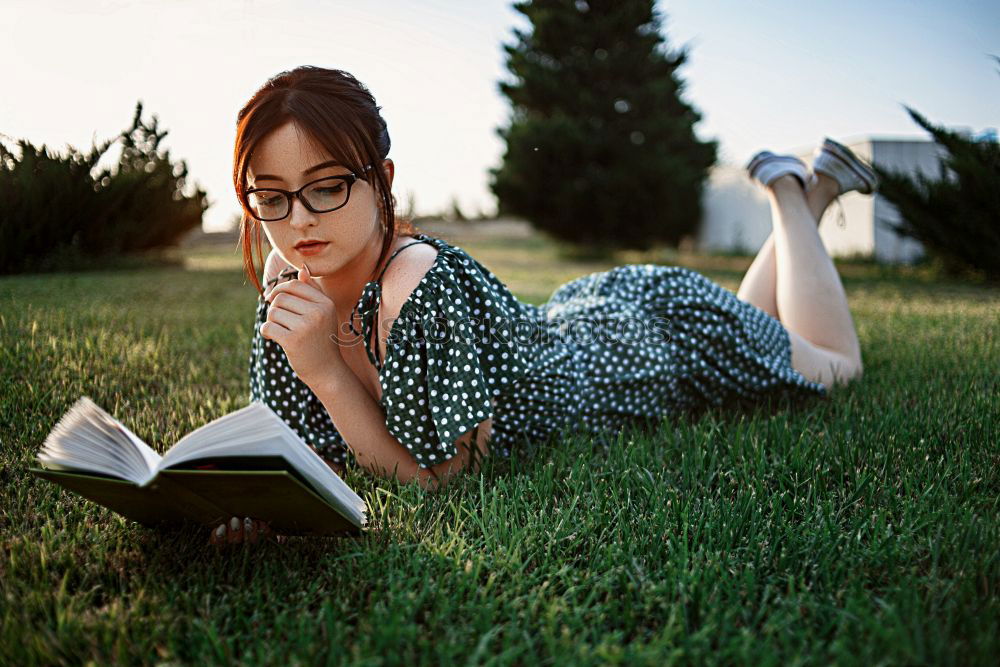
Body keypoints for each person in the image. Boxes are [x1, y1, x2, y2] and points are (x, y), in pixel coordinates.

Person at [209, 66, 872, 545]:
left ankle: (791, 191)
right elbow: (313, 446)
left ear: (381, 179)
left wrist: (324, 369)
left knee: (837, 367)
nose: (297, 220)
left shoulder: (417, 282)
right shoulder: (287, 280)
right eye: (270, 196)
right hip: (587, 319)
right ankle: (810, 204)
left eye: (325, 186)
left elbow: (438, 479)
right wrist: (264, 504)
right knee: (755, 327)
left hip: (643, 347)